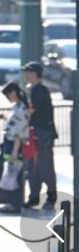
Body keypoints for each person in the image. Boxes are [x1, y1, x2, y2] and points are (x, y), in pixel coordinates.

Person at [22, 61, 57, 209]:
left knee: (44, 166)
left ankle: (51, 196)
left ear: (34, 73)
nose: (26, 75)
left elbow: (32, 110)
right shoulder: (33, 89)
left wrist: (19, 118)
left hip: (43, 134)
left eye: (28, 72)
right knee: (33, 167)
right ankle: (34, 197)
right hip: (35, 133)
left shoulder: (39, 90)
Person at [0, 83, 29, 213]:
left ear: (13, 93)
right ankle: (12, 202)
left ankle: (15, 203)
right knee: (10, 173)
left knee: (14, 174)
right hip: (9, 143)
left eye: (7, 95)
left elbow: (20, 132)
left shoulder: (21, 108)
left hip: (14, 145)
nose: (7, 98)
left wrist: (15, 150)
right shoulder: (16, 107)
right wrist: (5, 118)